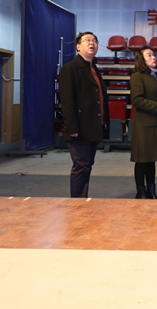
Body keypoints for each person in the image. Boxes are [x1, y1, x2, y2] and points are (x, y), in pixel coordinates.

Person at [59, 31, 110, 198]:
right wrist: (72, 126)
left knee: (87, 165)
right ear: (78, 47)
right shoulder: (70, 69)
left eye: (95, 40)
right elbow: (67, 101)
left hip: (93, 126)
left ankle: (81, 199)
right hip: (79, 127)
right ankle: (77, 202)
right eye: (87, 40)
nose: (92, 43)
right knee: (81, 166)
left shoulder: (94, 69)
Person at [129, 46, 157, 199]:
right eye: (149, 55)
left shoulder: (156, 76)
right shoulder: (137, 76)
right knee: (142, 160)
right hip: (143, 125)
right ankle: (141, 191)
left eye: (153, 54)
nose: (153, 57)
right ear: (142, 60)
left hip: (156, 123)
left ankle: (151, 190)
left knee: (151, 159)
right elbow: (137, 100)